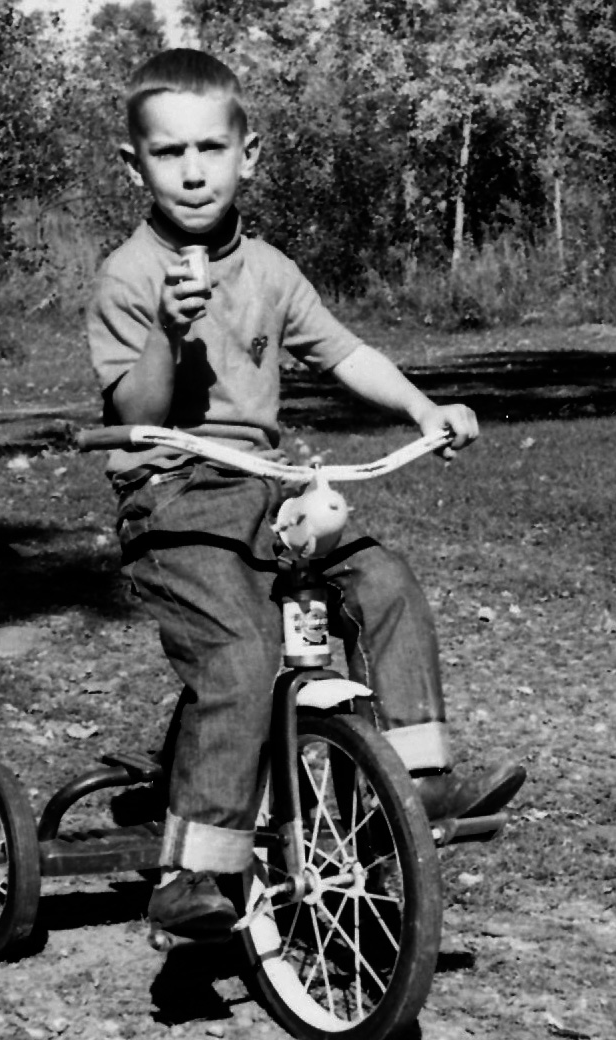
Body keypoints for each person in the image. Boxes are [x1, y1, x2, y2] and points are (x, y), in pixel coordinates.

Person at [86, 48, 526, 939]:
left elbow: (342, 351)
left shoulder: (272, 269)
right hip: (172, 498)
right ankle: (193, 873)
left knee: (385, 581)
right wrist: (171, 332)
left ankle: (420, 778)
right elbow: (132, 413)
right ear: (135, 166)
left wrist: (422, 406)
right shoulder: (129, 275)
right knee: (242, 659)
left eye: (213, 147)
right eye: (170, 153)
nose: (195, 169)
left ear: (250, 155)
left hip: (264, 489)